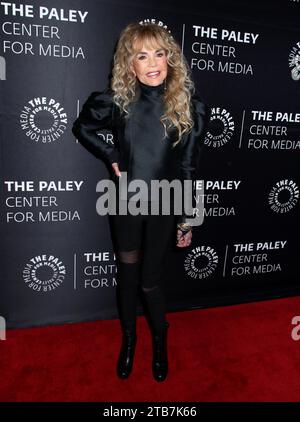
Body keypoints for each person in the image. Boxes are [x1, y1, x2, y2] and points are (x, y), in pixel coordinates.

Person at [72, 22, 210, 382]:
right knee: (128, 277)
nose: (152, 63)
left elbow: (187, 166)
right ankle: (130, 341)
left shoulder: (188, 106)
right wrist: (111, 154)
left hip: (165, 203)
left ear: (170, 58)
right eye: (142, 55)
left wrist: (187, 219)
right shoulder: (116, 102)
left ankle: (160, 341)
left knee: (150, 282)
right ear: (128, 64)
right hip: (126, 201)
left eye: (159, 53)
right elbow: (82, 126)